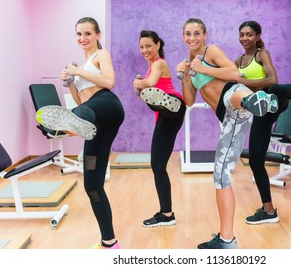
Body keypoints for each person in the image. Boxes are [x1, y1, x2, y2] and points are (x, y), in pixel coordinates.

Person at [176, 18, 278, 249]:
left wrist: (205, 68)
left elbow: (234, 73)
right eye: (188, 34)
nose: (192, 38)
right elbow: (190, 101)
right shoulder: (191, 65)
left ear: (204, 35)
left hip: (234, 93)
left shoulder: (211, 51)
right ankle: (255, 102)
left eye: (196, 33)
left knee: (234, 95)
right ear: (183, 37)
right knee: (221, 176)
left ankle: (227, 240)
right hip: (229, 116)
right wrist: (184, 77)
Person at [35, 17, 124, 249]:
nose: (82, 38)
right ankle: (109, 242)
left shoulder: (99, 56)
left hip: (107, 106)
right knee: (92, 186)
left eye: (87, 33)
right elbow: (80, 99)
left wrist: (79, 73)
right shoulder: (82, 66)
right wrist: (72, 82)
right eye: (79, 34)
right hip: (95, 125)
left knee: (82, 111)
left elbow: (109, 81)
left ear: (97, 35)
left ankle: (69, 125)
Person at [235, 20, 291, 225]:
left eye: (249, 34)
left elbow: (271, 78)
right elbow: (229, 78)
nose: (245, 38)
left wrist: (243, 82)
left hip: (275, 100)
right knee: (256, 161)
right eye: (241, 34)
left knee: (272, 90)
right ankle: (268, 211)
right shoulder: (238, 60)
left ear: (257, 36)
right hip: (262, 111)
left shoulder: (261, 54)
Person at [133, 30, 186, 227]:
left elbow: (151, 83)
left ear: (157, 45)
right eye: (141, 47)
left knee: (155, 95)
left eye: (148, 46)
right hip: (167, 116)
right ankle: (166, 213)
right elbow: (148, 87)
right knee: (157, 166)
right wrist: (143, 90)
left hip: (174, 106)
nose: (145, 50)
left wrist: (140, 84)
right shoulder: (150, 66)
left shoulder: (159, 63)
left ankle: (164, 102)